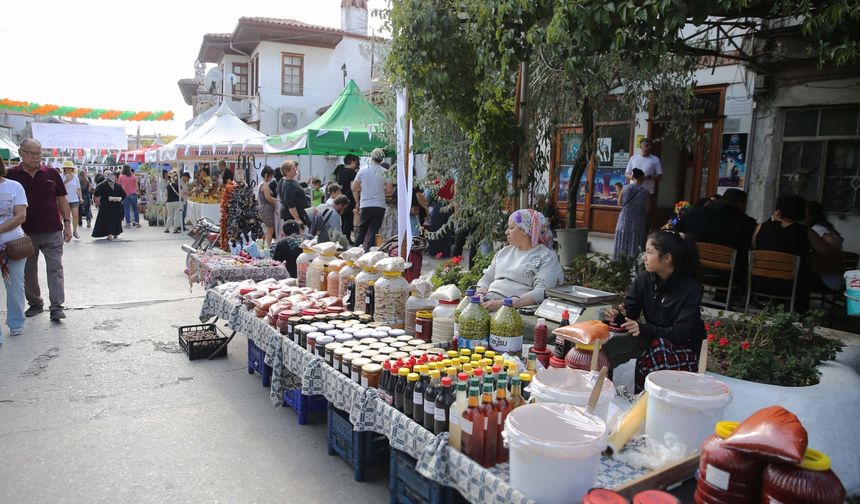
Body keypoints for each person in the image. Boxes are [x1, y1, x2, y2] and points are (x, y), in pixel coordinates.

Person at [605, 230, 705, 392]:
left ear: (667, 258)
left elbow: (681, 334)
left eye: (649, 252)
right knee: (609, 343)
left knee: (658, 349)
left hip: (684, 347)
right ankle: (631, 396)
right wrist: (619, 316)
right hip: (655, 343)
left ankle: (650, 399)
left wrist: (644, 328)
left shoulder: (690, 288)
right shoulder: (644, 279)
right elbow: (632, 312)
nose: (644, 257)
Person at [8, 138, 72, 321]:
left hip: (52, 229)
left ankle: (57, 306)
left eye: (38, 153)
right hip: (23, 233)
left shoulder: (51, 173)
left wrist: (67, 223)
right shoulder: (12, 175)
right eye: (31, 153)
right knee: (28, 270)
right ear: (21, 153)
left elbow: (62, 200)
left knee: (55, 268)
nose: (35, 157)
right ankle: (35, 303)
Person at [752, 194, 831, 312]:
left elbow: (754, 248)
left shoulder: (760, 227)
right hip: (791, 288)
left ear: (779, 210)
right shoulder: (805, 232)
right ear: (801, 212)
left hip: (759, 283)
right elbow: (826, 252)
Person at [476, 209, 564, 310]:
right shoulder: (504, 252)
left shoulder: (546, 257)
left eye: (511, 228)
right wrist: (480, 293)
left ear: (525, 230)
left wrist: (504, 304)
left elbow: (541, 292)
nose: (506, 232)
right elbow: (487, 277)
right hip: (489, 302)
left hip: (514, 310)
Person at [677, 188, 757, 290]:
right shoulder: (748, 223)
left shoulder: (695, 213)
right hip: (729, 277)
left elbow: (677, 232)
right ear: (740, 203)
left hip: (693, 270)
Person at [0, 156, 28, 342]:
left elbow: (20, 216)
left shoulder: (14, 186)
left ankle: (16, 322)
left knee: (15, 286)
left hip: (13, 245)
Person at [804, 201, 844, 292]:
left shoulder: (817, 229)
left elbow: (836, 246)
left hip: (826, 281)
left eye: (804, 213)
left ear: (811, 215)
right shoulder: (825, 228)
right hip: (833, 281)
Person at [352, 148, 388, 250]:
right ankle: (369, 252)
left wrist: (364, 189)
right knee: (374, 230)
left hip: (366, 204)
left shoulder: (362, 170)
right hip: (380, 205)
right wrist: (382, 189)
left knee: (362, 230)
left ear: (371, 157)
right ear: (382, 159)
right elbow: (389, 190)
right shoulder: (385, 172)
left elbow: (354, 187)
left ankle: (354, 251)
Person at [613, 168, 649, 260]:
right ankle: (634, 261)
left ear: (632, 177)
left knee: (622, 239)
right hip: (638, 219)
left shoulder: (625, 188)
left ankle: (619, 261)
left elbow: (619, 203)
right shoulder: (645, 192)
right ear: (642, 178)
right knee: (636, 240)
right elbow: (647, 208)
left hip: (624, 218)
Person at [92, 171, 126, 241]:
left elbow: (96, 193)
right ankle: (115, 234)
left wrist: (98, 201)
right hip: (117, 206)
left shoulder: (101, 185)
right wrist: (118, 199)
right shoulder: (117, 186)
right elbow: (124, 195)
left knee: (108, 220)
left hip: (106, 206)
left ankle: (110, 234)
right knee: (115, 220)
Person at [277, 160, 310, 227]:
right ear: (286, 172)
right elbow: (290, 204)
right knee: (295, 236)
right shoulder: (288, 185)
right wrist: (298, 220)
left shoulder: (287, 181)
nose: (295, 169)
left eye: (295, 168)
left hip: (295, 214)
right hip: (292, 216)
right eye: (293, 169)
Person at [338, 154, 359, 242]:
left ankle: (344, 237)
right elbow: (353, 188)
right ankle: (346, 238)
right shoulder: (352, 172)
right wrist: (357, 201)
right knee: (349, 219)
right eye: (356, 162)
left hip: (341, 197)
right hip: (350, 198)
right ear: (352, 161)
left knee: (343, 218)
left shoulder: (341, 171)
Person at [61, 161, 82, 239]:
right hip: (64, 199)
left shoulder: (76, 177)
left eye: (70, 168)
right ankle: (66, 230)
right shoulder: (61, 176)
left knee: (76, 215)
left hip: (74, 199)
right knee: (65, 217)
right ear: (64, 169)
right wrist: (66, 180)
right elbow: (59, 187)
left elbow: (79, 188)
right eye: (66, 168)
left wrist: (81, 197)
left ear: (72, 169)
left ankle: (75, 230)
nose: (68, 169)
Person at [258, 166, 277, 245]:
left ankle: (265, 245)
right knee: (270, 230)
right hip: (266, 209)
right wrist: (275, 202)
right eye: (271, 176)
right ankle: (266, 247)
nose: (271, 178)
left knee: (268, 229)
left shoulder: (261, 184)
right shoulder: (265, 185)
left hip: (264, 208)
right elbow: (267, 197)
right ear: (266, 175)